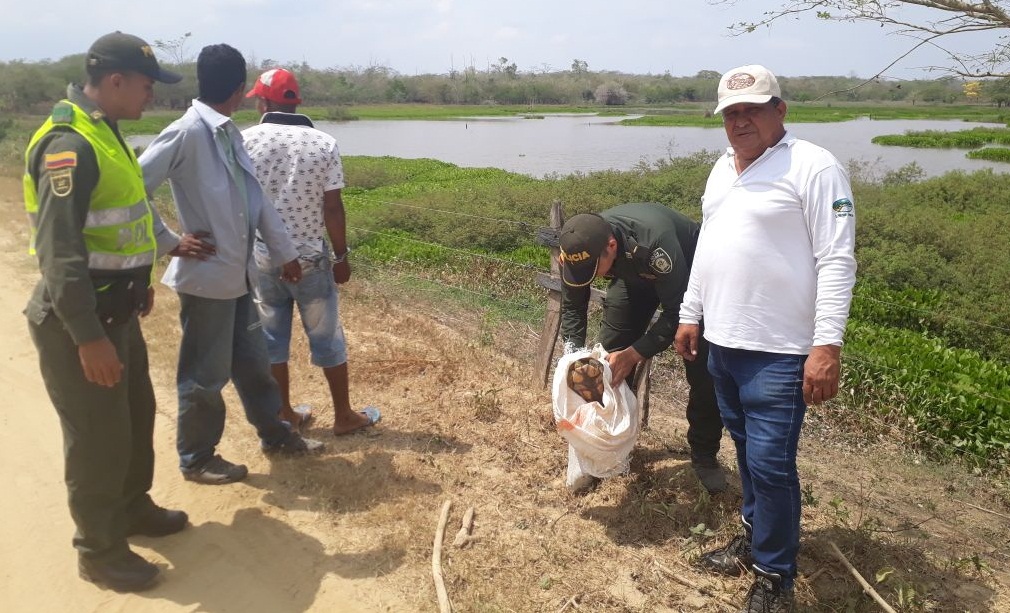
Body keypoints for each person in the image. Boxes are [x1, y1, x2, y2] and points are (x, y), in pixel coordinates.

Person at [675, 65, 856, 613]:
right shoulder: (720, 170)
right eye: (731, 113)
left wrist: (826, 346)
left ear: (780, 109)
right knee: (748, 453)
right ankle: (755, 537)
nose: (740, 121)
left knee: (773, 465)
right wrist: (690, 312)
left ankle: (776, 574)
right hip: (723, 345)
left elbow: (836, 259)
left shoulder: (815, 167)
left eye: (751, 109)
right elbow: (707, 248)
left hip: (780, 351)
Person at [23, 31, 197, 592]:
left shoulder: (107, 133)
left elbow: (123, 224)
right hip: (81, 323)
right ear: (116, 81)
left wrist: (140, 281)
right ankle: (98, 550)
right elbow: (62, 253)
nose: (152, 95)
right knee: (97, 437)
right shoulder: (68, 143)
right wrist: (86, 336)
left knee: (133, 418)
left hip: (117, 312)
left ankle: (131, 507)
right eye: (147, 85)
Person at [139, 44, 324, 487]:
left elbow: (255, 201)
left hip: (238, 278)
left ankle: (276, 436)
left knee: (254, 364)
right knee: (205, 376)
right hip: (205, 282)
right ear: (241, 89)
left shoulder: (227, 133)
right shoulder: (187, 132)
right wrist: (168, 241)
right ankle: (197, 457)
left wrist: (285, 256)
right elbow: (132, 185)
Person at [242, 68, 380, 436]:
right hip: (310, 259)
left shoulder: (245, 140)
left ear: (265, 102)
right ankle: (344, 416)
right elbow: (332, 208)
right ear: (295, 101)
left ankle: (284, 412)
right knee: (327, 336)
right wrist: (341, 257)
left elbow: (238, 202)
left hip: (263, 255)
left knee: (272, 338)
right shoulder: (324, 143)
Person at [558, 203, 725, 494]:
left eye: (593, 270)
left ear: (611, 246)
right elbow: (573, 304)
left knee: (702, 369)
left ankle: (704, 456)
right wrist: (574, 355)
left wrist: (636, 352)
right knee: (602, 366)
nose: (591, 277)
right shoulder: (579, 248)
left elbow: (679, 313)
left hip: (689, 279)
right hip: (633, 278)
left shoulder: (655, 243)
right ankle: (603, 451)